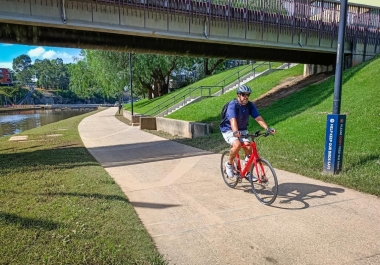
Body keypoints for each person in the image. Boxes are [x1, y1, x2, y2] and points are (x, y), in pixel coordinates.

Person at [219, 85, 275, 180]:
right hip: (229, 129)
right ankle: (229, 164)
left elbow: (258, 118)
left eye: (248, 94)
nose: (246, 96)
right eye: (244, 94)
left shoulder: (250, 105)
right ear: (238, 95)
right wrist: (236, 132)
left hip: (242, 129)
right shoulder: (233, 105)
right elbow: (233, 120)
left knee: (249, 147)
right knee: (237, 145)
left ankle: (248, 173)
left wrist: (267, 128)